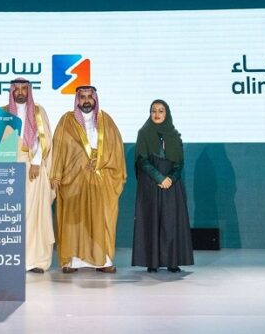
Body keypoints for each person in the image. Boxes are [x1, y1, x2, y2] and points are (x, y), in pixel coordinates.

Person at [51, 86, 126, 273]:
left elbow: (116, 149)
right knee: (73, 221)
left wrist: (100, 161)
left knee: (102, 220)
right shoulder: (67, 121)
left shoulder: (106, 121)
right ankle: (72, 262)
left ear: (95, 99)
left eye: (89, 97)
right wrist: (56, 175)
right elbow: (58, 149)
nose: (86, 101)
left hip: (101, 179)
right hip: (73, 180)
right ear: (77, 100)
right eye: (82, 97)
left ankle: (103, 261)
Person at [0, 78, 55, 273]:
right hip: (9, 169)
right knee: (11, 215)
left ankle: (35, 261)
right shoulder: (3, 113)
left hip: (33, 168)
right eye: (16, 89)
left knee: (35, 216)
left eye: (23, 89)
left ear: (29, 91)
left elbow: (45, 140)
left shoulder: (38, 111)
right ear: (11, 91)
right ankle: (11, 258)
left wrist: (36, 163)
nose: (20, 92)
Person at [132, 99, 194, 273]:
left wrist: (171, 179)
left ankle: (172, 261)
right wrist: (159, 178)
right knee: (151, 221)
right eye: (154, 110)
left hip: (171, 186)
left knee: (171, 222)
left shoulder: (174, 135)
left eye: (161, 111)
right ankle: (152, 262)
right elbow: (142, 160)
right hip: (151, 184)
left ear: (167, 113)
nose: (157, 114)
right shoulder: (144, 133)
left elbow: (179, 163)